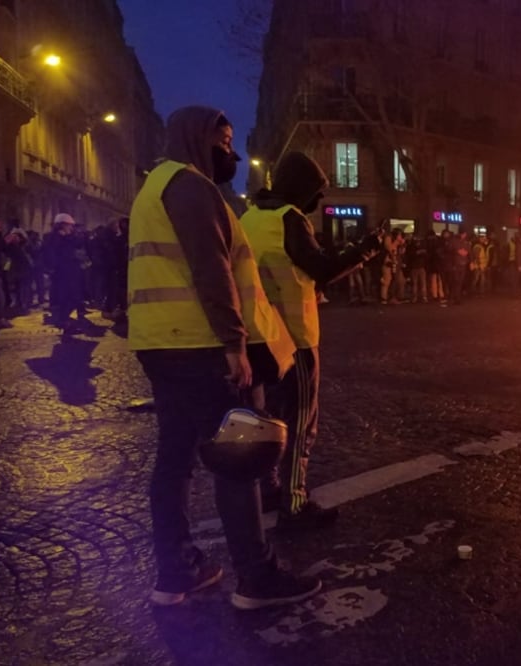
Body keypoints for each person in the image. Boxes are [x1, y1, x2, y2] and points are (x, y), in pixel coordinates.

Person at [127, 105, 321, 610]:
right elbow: (211, 272)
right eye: (224, 140)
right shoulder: (192, 188)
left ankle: (177, 572)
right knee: (238, 459)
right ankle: (256, 577)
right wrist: (235, 344)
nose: (230, 152)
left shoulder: (155, 186)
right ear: (198, 137)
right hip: (200, 345)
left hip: (160, 342)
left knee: (174, 458)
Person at [240, 150, 382, 530]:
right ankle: (295, 504)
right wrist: (364, 250)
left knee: (267, 417)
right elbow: (320, 268)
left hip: (259, 336)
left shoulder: (250, 218)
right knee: (301, 422)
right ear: (300, 189)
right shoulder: (290, 218)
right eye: (315, 193)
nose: (319, 202)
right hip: (295, 339)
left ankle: (269, 486)